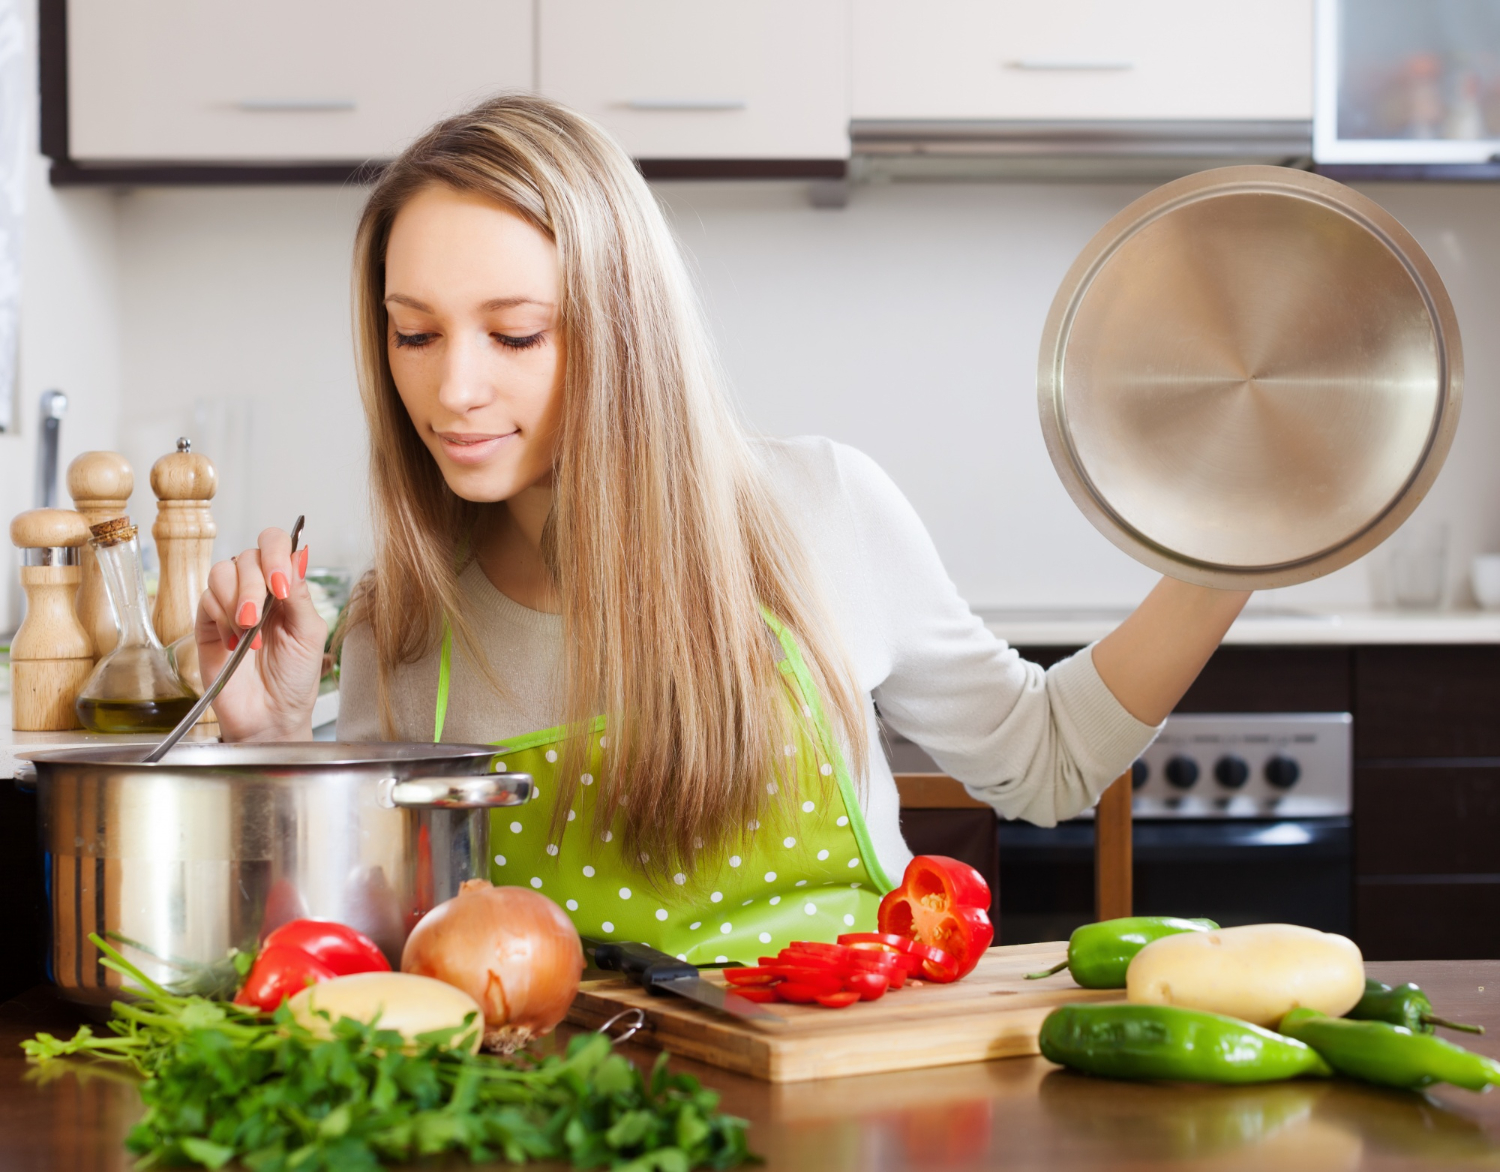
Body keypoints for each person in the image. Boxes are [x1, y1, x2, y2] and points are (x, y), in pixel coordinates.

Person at [199, 94, 1249, 963]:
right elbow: (363, 953)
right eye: (414, 333)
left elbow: (1050, 759)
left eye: (516, 333)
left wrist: (1248, 542)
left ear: (624, 327)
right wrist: (272, 739)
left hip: (845, 1101)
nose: (453, 386)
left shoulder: (823, 507)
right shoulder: (403, 622)